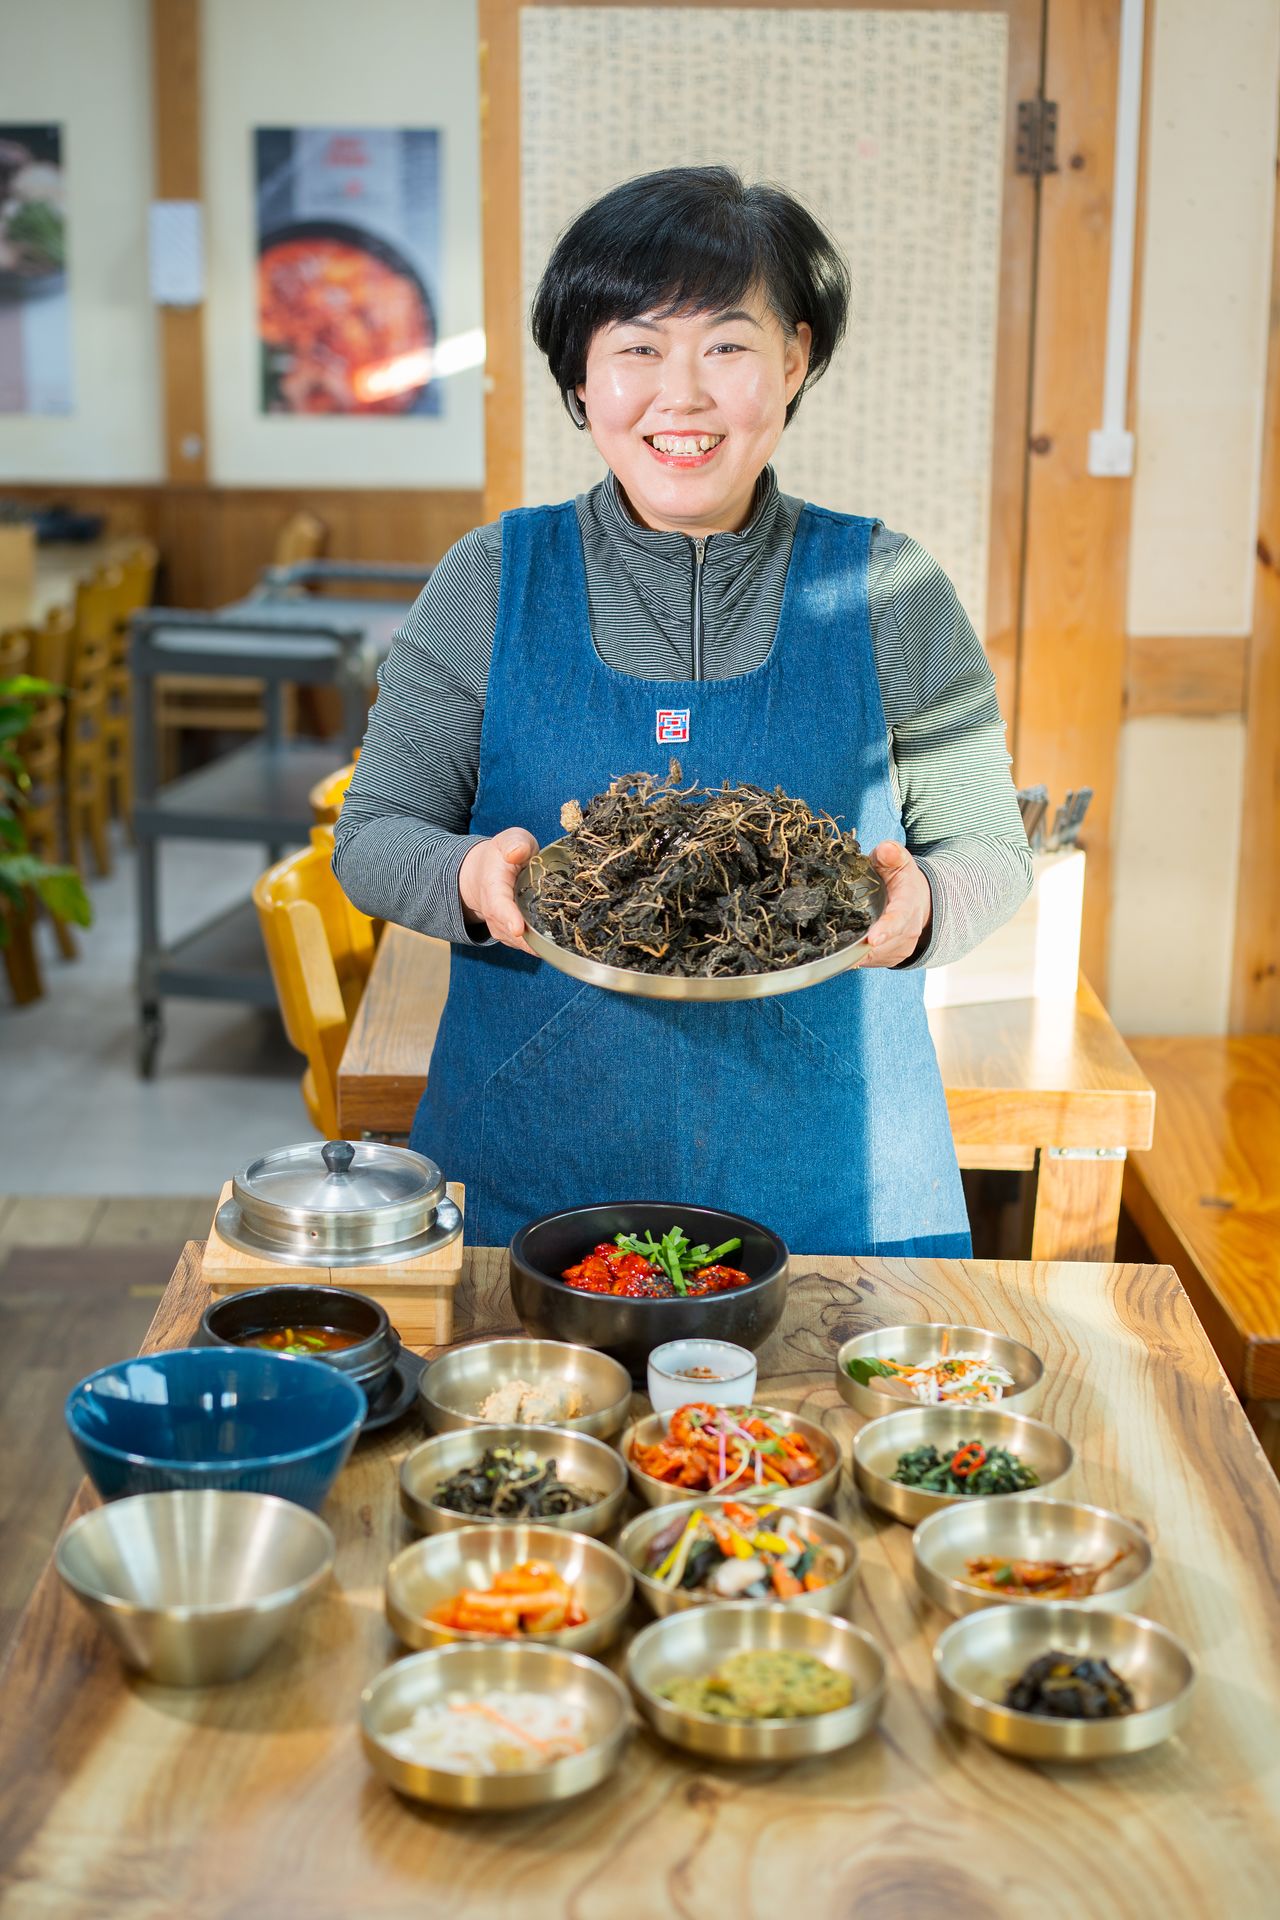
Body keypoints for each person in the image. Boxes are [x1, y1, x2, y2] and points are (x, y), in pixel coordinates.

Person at [334, 166, 1031, 1255]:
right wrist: (466, 878)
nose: (683, 395)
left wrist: (926, 904)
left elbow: (991, 846)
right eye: (637, 348)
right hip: (538, 1169)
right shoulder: (487, 580)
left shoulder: (890, 589)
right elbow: (372, 836)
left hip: (832, 1176)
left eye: (726, 345)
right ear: (579, 378)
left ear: (793, 358)